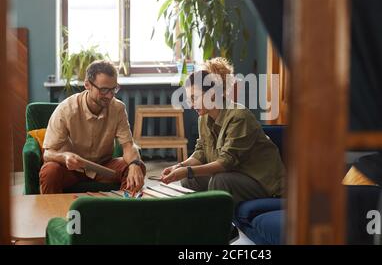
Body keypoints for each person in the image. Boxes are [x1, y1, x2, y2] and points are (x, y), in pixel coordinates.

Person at [160, 70, 284, 204]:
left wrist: (188, 171)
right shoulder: (203, 117)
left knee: (219, 180)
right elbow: (201, 152)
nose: (190, 104)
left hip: (261, 182)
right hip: (233, 173)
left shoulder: (239, 117)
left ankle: (216, 222)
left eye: (194, 98)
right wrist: (179, 166)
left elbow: (226, 162)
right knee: (189, 179)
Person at [40, 60, 146, 194]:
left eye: (114, 89)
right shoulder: (66, 110)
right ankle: (55, 213)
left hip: (103, 167)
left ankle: (122, 210)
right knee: (50, 171)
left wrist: (134, 164)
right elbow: (48, 154)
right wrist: (65, 156)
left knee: (138, 167)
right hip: (71, 169)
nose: (109, 95)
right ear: (87, 85)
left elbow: (128, 146)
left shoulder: (118, 108)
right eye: (103, 90)